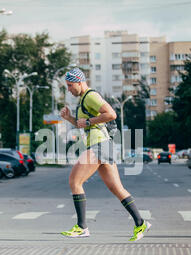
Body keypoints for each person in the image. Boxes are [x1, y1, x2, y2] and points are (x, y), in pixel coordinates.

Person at [59, 68, 151, 242]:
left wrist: (87, 121)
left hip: (99, 145)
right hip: (104, 145)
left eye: (70, 86)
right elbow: (84, 125)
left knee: (74, 181)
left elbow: (111, 114)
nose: (69, 89)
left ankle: (81, 227)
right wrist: (70, 118)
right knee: (116, 188)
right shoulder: (83, 100)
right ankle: (140, 222)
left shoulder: (90, 96)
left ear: (80, 82)